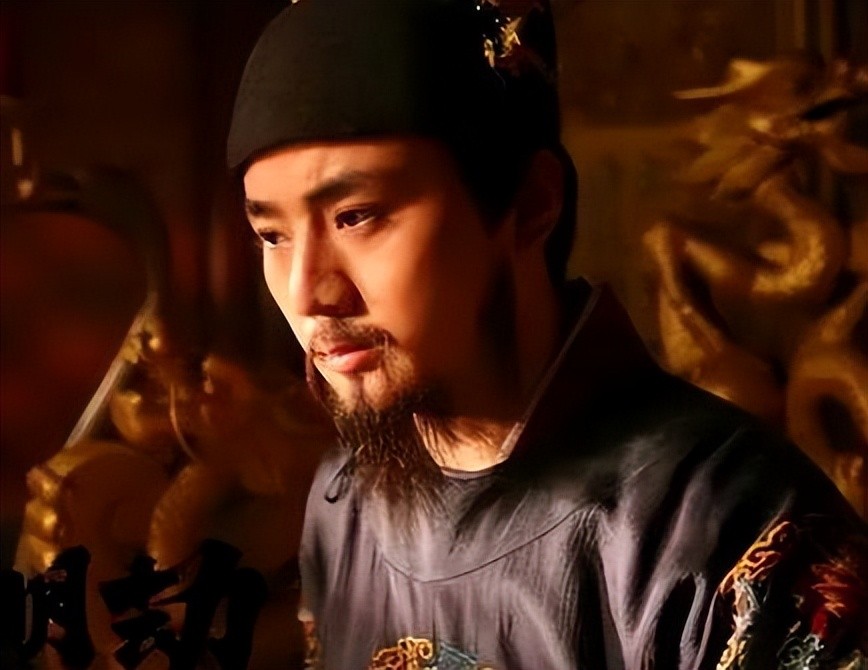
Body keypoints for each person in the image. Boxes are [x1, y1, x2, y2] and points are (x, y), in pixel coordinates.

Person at [226, 1, 868, 668]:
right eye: (271, 234)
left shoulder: (728, 523)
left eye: (356, 216)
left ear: (531, 204)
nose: (308, 292)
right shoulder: (344, 501)